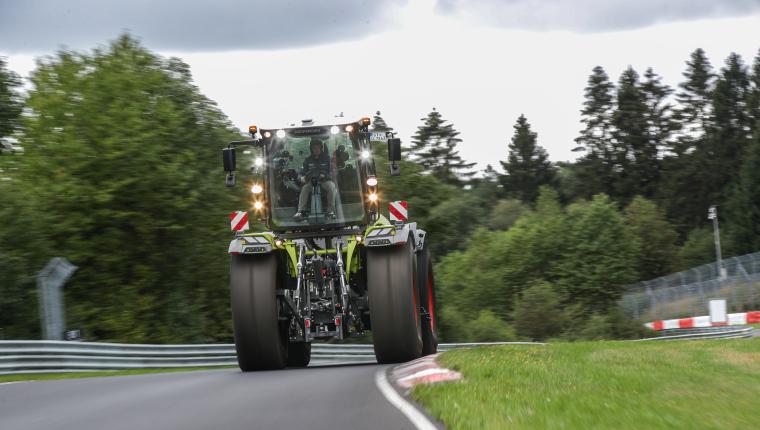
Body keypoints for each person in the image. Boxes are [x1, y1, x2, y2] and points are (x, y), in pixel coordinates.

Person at [294, 138, 337, 220]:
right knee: (305, 188)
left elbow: (333, 172)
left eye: (317, 148)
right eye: (314, 148)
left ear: (321, 148)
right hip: (311, 181)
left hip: (324, 181)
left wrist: (325, 175)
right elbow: (302, 171)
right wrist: (301, 177)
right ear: (311, 149)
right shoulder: (308, 160)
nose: (316, 150)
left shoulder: (328, 159)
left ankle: (331, 211)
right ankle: (301, 211)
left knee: (331, 187)